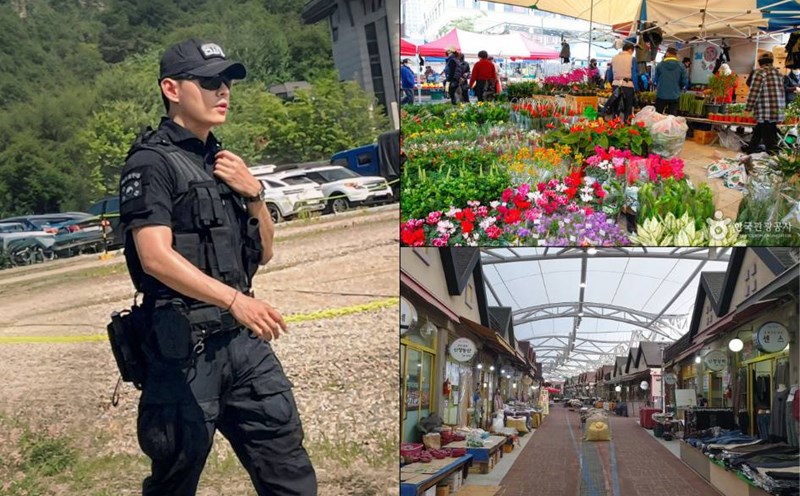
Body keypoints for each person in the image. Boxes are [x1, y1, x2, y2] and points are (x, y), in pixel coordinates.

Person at [117, 39, 317, 495]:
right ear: (171, 88)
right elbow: (154, 255)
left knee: (290, 471)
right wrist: (234, 299)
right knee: (175, 480)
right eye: (208, 82)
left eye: (226, 82)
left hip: (244, 347)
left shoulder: (224, 163)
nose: (222, 91)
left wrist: (254, 195)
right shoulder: (150, 163)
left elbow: (263, 253)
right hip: (183, 351)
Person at [745, 52, 786, 154]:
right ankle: (751, 150)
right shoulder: (779, 73)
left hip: (765, 110)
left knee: (770, 141)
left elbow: (754, 92)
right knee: (759, 131)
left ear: (760, 63)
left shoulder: (759, 73)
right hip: (777, 110)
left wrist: (748, 109)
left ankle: (775, 160)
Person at [607, 43, 639, 119]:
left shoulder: (614, 58)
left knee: (616, 106)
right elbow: (634, 74)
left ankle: (615, 123)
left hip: (616, 85)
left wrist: (612, 83)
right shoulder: (632, 59)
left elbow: (610, 74)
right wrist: (637, 88)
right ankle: (626, 124)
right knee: (628, 107)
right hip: (628, 85)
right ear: (631, 50)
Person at [654, 47, 688, 115]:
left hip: (661, 94)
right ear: (675, 55)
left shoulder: (660, 65)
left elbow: (656, 80)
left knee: (657, 116)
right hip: (674, 95)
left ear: (667, 53)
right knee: (672, 118)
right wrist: (679, 88)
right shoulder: (681, 66)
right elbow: (684, 81)